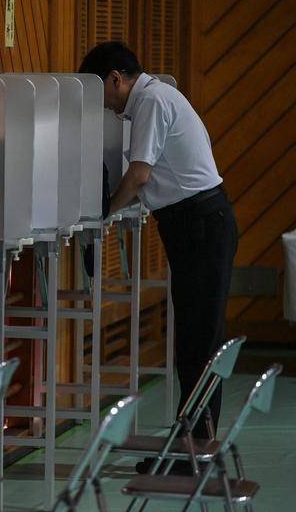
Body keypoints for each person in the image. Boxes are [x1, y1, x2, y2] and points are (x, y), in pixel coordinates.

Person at [79, 42, 238, 473]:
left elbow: (140, 174)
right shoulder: (159, 97)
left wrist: (105, 212)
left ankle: (194, 452)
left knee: (198, 343)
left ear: (116, 79)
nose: (105, 106)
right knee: (193, 339)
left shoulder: (150, 100)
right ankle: (190, 442)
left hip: (199, 224)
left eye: (102, 93)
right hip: (197, 223)